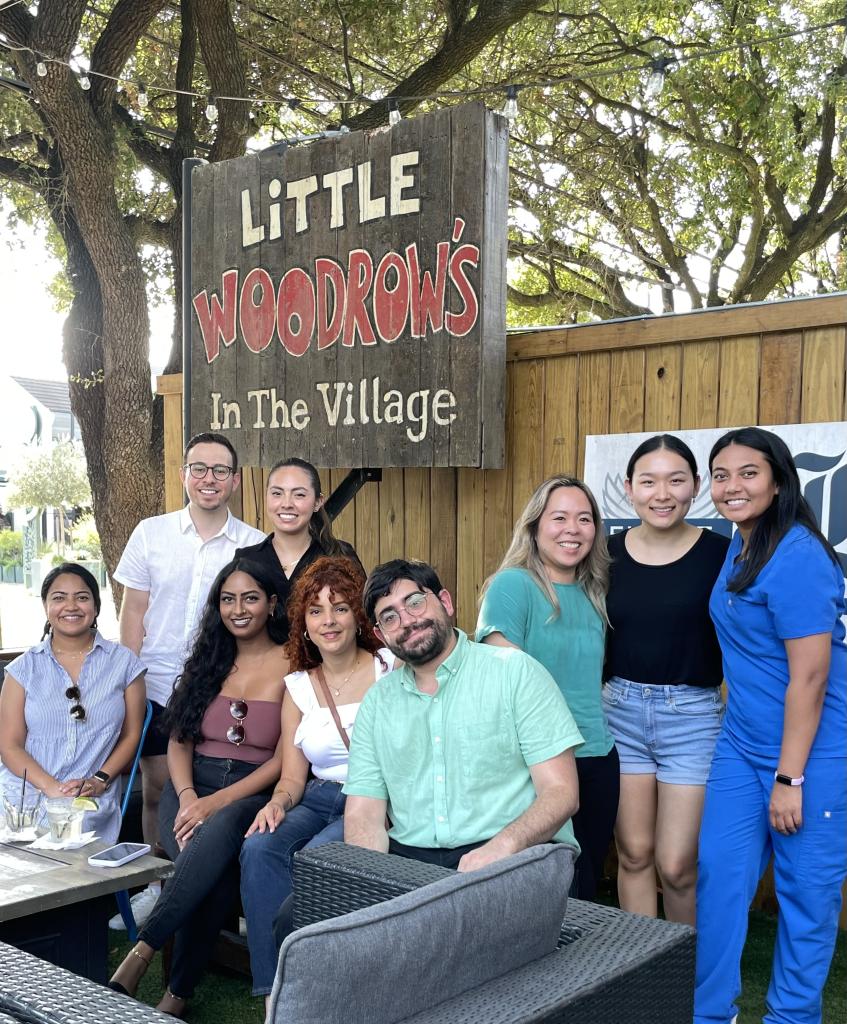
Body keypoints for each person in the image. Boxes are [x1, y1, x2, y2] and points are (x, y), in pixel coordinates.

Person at [695, 427, 846, 1024]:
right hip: (740, 745)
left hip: (810, 756)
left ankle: (791, 1018)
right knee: (720, 883)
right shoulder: (740, 541)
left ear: (778, 480)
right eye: (722, 475)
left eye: (748, 473)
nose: (733, 486)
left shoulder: (800, 556)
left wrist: (791, 779)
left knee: (806, 898)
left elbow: (809, 680)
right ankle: (710, 1015)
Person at [108, 558, 288, 1016]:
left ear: (271, 602)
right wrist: (188, 796)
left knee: (220, 832)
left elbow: (287, 757)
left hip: (249, 792)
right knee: (214, 866)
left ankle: (146, 951)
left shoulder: (293, 663)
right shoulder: (208, 659)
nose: (238, 609)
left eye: (250, 598)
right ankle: (176, 996)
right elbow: (179, 741)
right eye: (228, 599)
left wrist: (218, 801)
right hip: (189, 788)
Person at [110, 431, 264, 928]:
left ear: (235, 481)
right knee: (158, 788)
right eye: (199, 468)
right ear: (183, 475)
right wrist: (127, 682)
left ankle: (224, 894)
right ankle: (156, 887)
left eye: (220, 470)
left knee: (219, 789)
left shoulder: (252, 545)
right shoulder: (150, 533)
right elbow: (133, 611)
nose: (209, 479)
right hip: (155, 684)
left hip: (220, 689)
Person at [344, 558, 583, 872]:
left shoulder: (515, 672)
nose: (407, 621)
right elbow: (363, 813)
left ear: (445, 601)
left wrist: (503, 847)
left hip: (514, 851)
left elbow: (561, 793)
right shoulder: (377, 703)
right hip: (412, 859)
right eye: (389, 617)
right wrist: (369, 877)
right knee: (295, 914)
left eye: (415, 602)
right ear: (380, 635)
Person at [239, 556, 394, 1006]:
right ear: (303, 624)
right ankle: (275, 990)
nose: (329, 620)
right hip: (315, 796)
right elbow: (292, 777)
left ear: (358, 616)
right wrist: (277, 804)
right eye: (316, 611)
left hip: (368, 798)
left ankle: (321, 984)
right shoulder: (299, 687)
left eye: (340, 607)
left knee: (314, 860)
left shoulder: (388, 667)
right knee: (260, 846)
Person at [604, 435, 729, 924]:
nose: (662, 493)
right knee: (633, 854)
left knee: (676, 864)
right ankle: (640, 972)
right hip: (620, 711)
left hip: (693, 717)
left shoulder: (723, 553)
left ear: (695, 486)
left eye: (676, 480)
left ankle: (685, 978)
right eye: (649, 481)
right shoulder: (603, 553)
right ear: (629, 488)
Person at [475, 476, 616, 899]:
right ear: (535, 526)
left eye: (584, 519)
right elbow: (499, 676)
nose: (572, 529)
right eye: (559, 518)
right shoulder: (512, 586)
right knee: (542, 889)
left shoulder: (596, 591)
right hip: (537, 764)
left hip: (596, 754)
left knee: (587, 883)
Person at [0, 563, 146, 844]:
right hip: (23, 798)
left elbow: (132, 735)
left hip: (87, 799)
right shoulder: (23, 669)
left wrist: (100, 779)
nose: (71, 606)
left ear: (95, 605)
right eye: (59, 598)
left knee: (70, 854)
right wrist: (52, 788)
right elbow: (9, 746)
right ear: (46, 606)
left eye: (82, 597)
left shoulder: (124, 665)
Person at [235, 457, 362, 635]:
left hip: (328, 661)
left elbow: (361, 619)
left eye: (299, 495)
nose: (286, 503)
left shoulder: (340, 555)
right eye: (277, 493)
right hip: (263, 662)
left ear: (318, 502)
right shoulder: (246, 560)